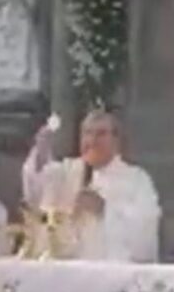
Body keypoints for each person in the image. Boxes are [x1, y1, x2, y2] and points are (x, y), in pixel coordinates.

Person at [23, 111, 161, 262]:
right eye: (87, 133)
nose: (92, 140)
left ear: (116, 141)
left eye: (101, 134)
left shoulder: (136, 180)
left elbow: (145, 234)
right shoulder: (65, 172)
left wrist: (105, 209)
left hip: (109, 269)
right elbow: (34, 193)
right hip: (65, 267)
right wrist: (41, 155)